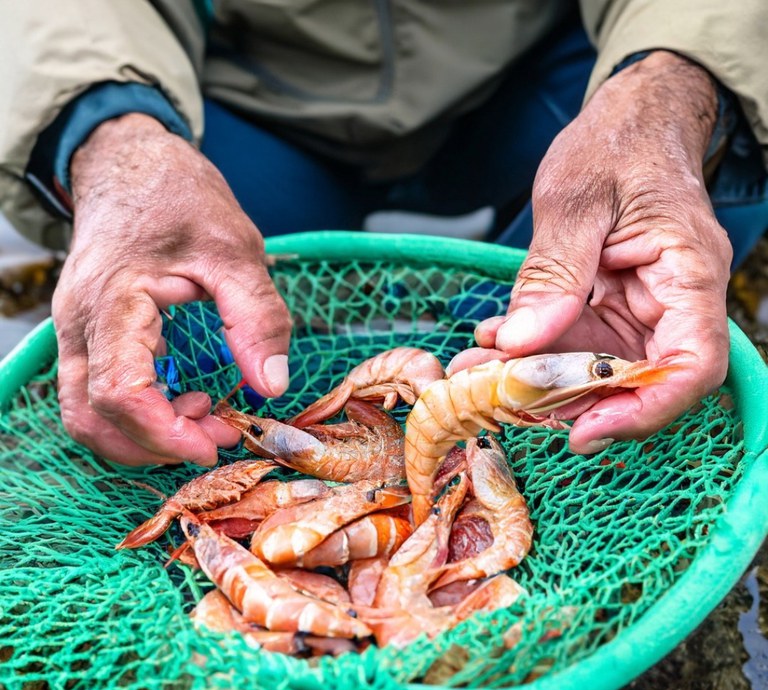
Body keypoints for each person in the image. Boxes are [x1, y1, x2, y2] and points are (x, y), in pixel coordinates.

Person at [1, 1, 766, 466]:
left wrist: (668, 87)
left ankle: (493, 336)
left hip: (530, 71)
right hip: (252, 96)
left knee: (693, 195)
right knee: (180, 346)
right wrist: (110, 136)